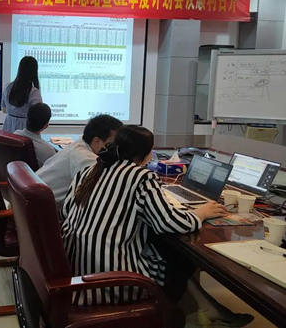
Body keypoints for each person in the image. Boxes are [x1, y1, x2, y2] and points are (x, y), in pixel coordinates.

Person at [60, 125, 254, 327]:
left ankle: (206, 309)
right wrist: (202, 212)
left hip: (77, 271)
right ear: (146, 154)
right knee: (180, 258)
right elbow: (169, 222)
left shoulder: (89, 171)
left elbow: (65, 212)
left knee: (162, 247)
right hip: (111, 282)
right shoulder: (140, 176)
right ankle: (184, 316)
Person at [36, 114, 122, 209]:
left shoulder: (78, 145)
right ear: (97, 141)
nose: (116, 148)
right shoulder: (86, 159)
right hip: (43, 209)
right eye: (113, 144)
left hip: (34, 202)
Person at [2, 56, 42, 132]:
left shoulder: (7, 87)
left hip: (8, 125)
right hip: (26, 128)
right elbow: (39, 115)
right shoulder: (34, 92)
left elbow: (4, 110)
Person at [14, 103, 56, 168]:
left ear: (27, 119)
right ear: (46, 126)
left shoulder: (15, 135)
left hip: (13, 173)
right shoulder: (48, 151)